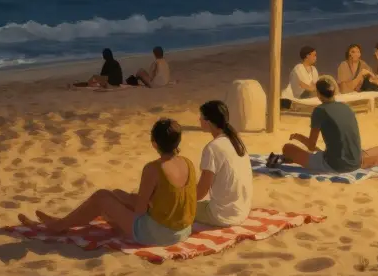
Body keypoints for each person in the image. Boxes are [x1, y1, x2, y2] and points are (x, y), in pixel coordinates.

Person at [19, 118, 197, 246]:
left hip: (159, 235)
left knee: (102, 197)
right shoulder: (188, 163)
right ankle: (65, 221)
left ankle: (58, 226)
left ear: (154, 143)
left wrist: (124, 204)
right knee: (118, 195)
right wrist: (124, 200)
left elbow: (141, 211)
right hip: (183, 230)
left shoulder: (153, 168)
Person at [282, 77, 378, 172]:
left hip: (333, 165)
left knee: (287, 148)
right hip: (356, 162)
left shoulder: (319, 110)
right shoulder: (346, 107)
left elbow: (311, 146)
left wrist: (298, 136)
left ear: (318, 94)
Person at [194, 101, 252, 227]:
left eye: (201, 117)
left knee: (178, 207)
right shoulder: (236, 141)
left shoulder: (212, 148)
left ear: (207, 122)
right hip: (242, 210)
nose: (199, 119)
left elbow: (201, 192)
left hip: (222, 215)